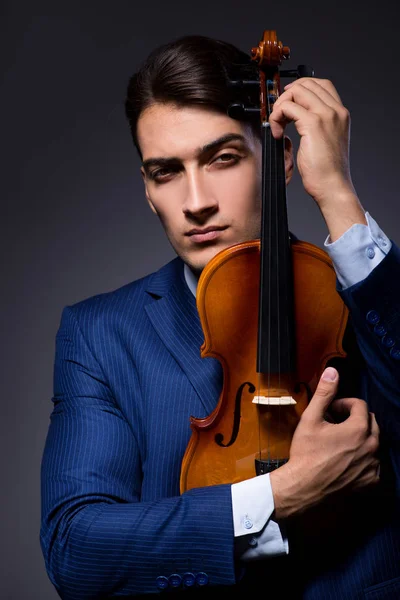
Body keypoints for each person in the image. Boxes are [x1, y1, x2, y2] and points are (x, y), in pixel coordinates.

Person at [40, 34, 400, 599]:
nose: (195, 200)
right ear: (147, 189)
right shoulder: (99, 334)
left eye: (223, 158)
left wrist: (337, 194)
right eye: (166, 172)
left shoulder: (365, 296)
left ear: (281, 158)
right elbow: (76, 551)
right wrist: (278, 497)